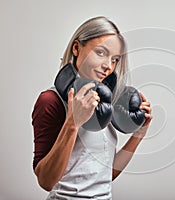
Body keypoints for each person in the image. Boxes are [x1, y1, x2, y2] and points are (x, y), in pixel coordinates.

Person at [31, 16, 152, 199]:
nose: (108, 66)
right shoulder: (51, 100)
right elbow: (46, 181)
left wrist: (139, 133)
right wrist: (73, 122)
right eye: (101, 53)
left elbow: (104, 176)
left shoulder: (105, 102)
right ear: (77, 48)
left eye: (115, 60)